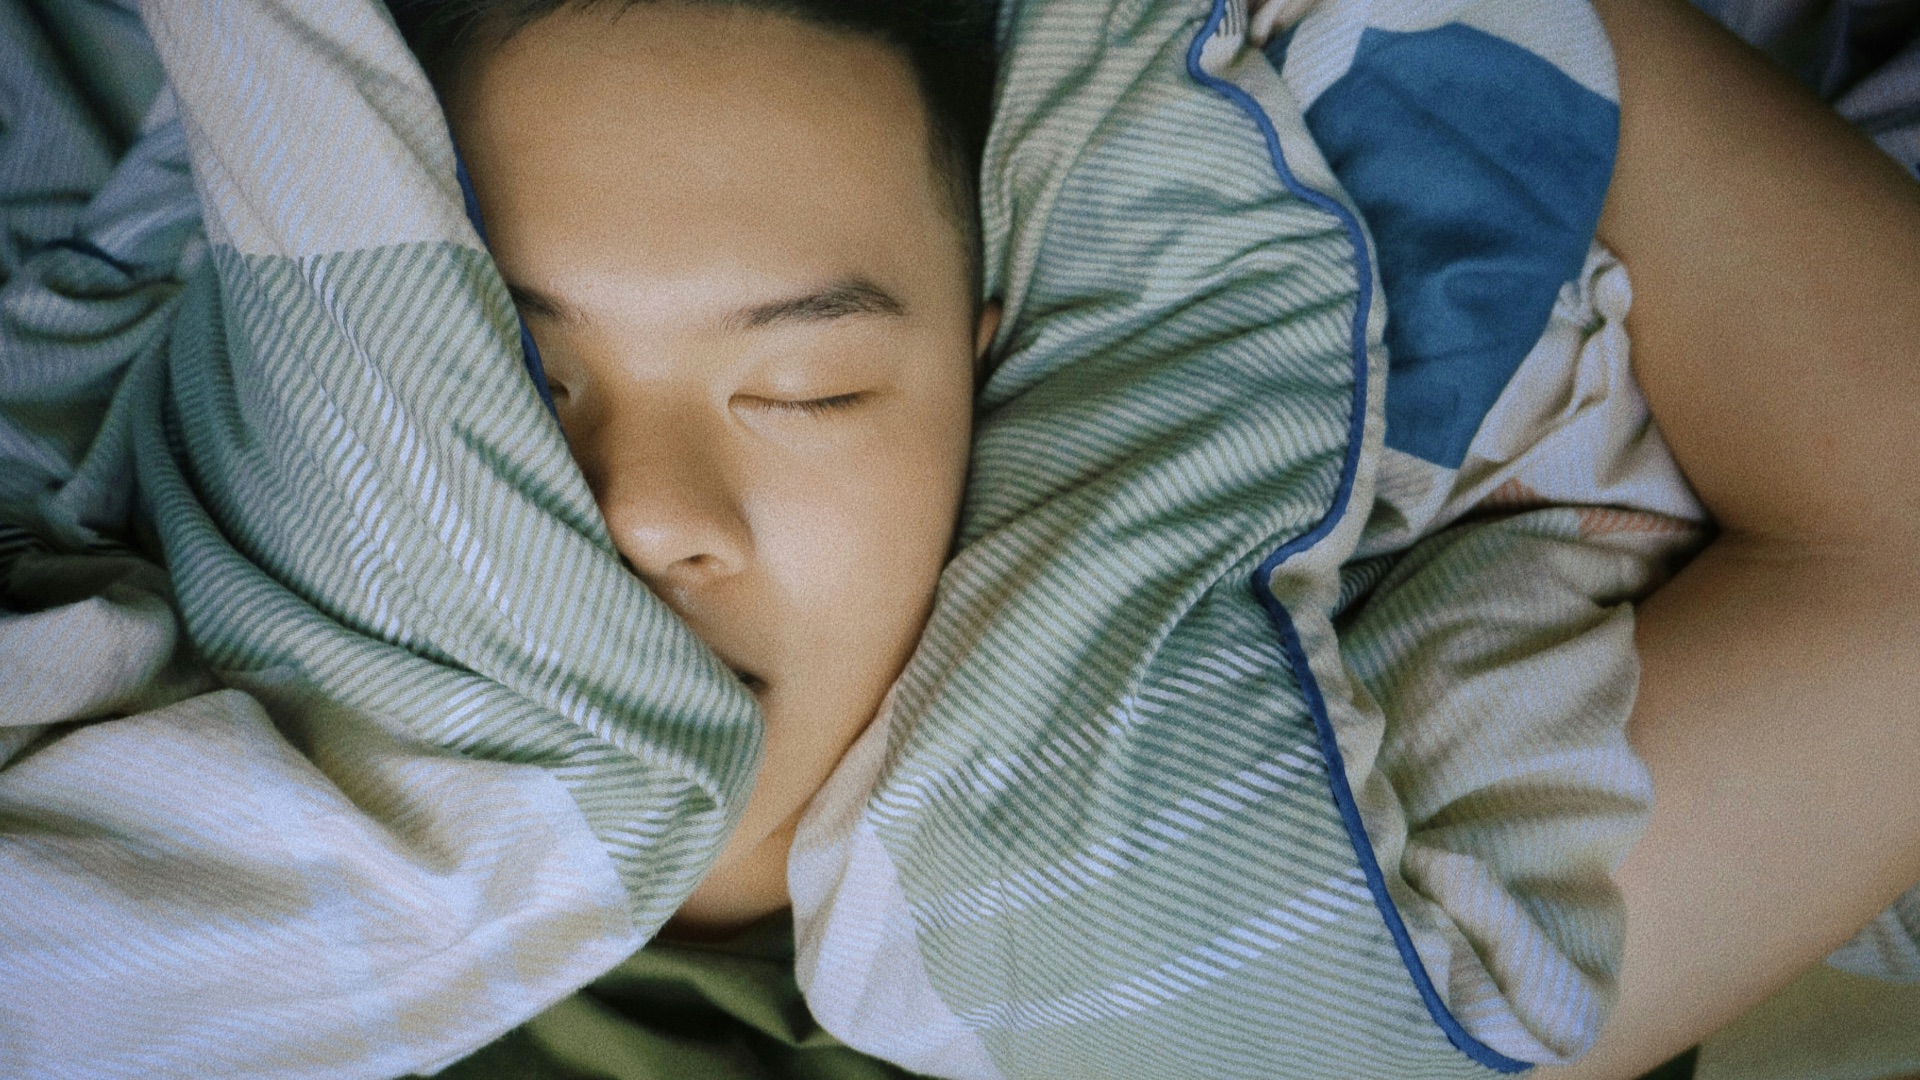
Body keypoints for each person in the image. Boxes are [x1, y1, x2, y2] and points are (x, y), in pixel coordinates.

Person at [400, 0, 1920, 1075]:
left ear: (985, 393)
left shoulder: (1214, 863)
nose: (646, 515)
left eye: (810, 389)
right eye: (522, 381)